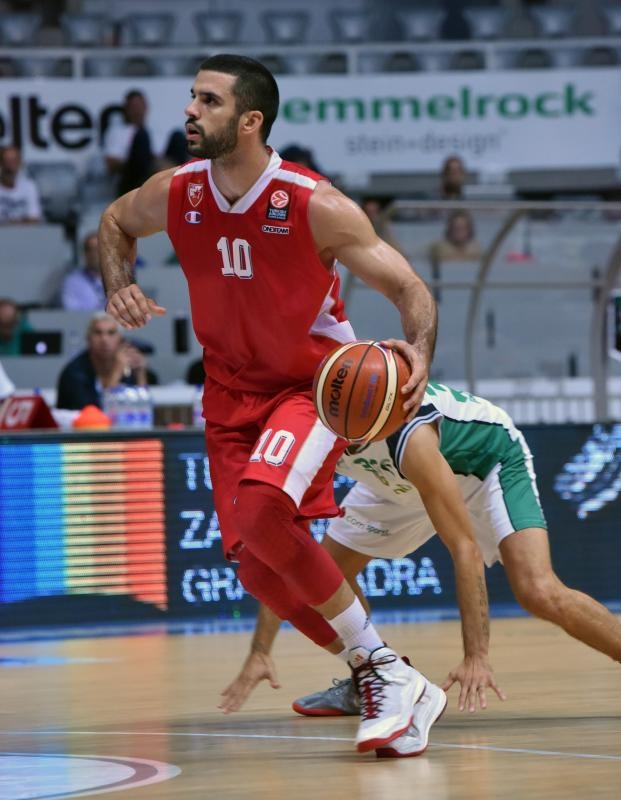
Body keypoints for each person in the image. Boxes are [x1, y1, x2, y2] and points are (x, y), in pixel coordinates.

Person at [98, 54, 438, 756]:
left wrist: (419, 356)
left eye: (209, 102)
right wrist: (117, 282)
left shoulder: (313, 202)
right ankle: (386, 670)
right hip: (227, 393)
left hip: (309, 387)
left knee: (263, 509)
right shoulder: (176, 191)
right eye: (192, 98)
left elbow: (409, 290)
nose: (190, 111)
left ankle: (380, 672)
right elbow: (112, 221)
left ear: (250, 121)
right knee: (255, 563)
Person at [221, 377, 621, 753]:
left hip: (485, 465)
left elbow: (464, 547)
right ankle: (373, 675)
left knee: (538, 591)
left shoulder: (410, 437)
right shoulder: (316, 422)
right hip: (398, 483)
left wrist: (476, 657)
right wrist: (261, 649)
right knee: (323, 573)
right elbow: (284, 546)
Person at [56, 311, 156, 410]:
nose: (104, 339)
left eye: (111, 333)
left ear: (120, 340)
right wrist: (116, 372)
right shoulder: (74, 373)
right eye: (98, 333)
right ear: (88, 338)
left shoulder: (128, 369)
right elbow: (94, 416)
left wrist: (140, 375)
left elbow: (142, 412)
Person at [103, 89, 188, 197]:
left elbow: (163, 157)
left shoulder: (155, 129)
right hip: (133, 178)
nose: (137, 110)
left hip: (159, 173)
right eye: (133, 107)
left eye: (140, 106)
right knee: (141, 137)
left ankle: (178, 184)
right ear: (126, 110)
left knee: (178, 136)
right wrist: (143, 159)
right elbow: (111, 165)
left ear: (146, 107)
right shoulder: (117, 131)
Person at [61, 232, 107, 311]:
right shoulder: (72, 282)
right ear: (85, 253)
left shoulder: (118, 280)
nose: (94, 254)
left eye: (98, 248)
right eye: (90, 249)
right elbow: (72, 313)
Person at [0, 145, 42, 224]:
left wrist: (9, 223)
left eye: (13, 161)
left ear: (20, 164)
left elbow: (34, 218)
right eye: (6, 161)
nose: (9, 167)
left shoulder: (29, 186)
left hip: (25, 234)